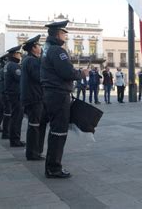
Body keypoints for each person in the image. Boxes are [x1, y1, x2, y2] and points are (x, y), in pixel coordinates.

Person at [40, 20, 88, 178]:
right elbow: (67, 72)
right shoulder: (57, 50)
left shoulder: (47, 50)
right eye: (63, 33)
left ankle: (52, 166)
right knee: (59, 131)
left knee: (55, 130)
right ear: (57, 34)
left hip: (51, 94)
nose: (65, 36)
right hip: (58, 95)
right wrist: (81, 74)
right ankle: (54, 167)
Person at [21, 35, 47, 160]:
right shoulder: (32, 61)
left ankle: (34, 151)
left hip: (32, 97)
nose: (40, 48)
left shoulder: (27, 60)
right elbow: (39, 77)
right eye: (38, 46)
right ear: (33, 48)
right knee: (35, 126)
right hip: (35, 97)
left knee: (34, 126)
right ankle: (33, 153)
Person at [4, 46, 24, 146]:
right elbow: (20, 78)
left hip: (12, 93)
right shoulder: (14, 65)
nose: (20, 55)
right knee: (17, 117)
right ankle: (15, 140)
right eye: (19, 53)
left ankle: (15, 138)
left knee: (15, 116)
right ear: (14, 54)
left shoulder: (9, 65)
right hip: (15, 93)